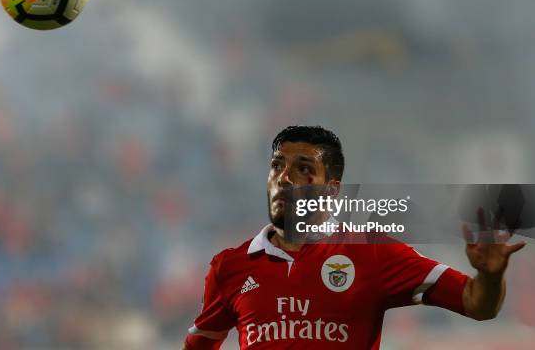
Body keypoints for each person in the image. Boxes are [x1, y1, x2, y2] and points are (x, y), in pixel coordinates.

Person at [182, 125, 526, 349]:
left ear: (332, 190)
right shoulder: (231, 267)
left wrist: (490, 275)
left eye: (303, 169)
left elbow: (476, 303)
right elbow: (200, 343)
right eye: (276, 166)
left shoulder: (372, 253)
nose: (284, 178)